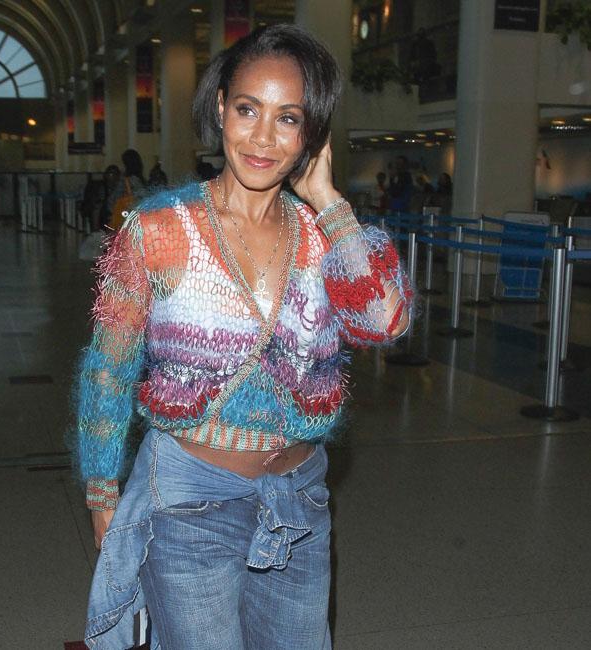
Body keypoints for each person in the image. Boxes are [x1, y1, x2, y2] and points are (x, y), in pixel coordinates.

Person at [74, 24, 413, 649]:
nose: (262, 138)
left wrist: (330, 202)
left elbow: (384, 321)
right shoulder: (158, 228)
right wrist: (102, 494)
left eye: (288, 119)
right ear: (220, 107)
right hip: (188, 503)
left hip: (298, 501)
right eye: (248, 109)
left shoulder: (322, 238)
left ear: (311, 135)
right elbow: (108, 367)